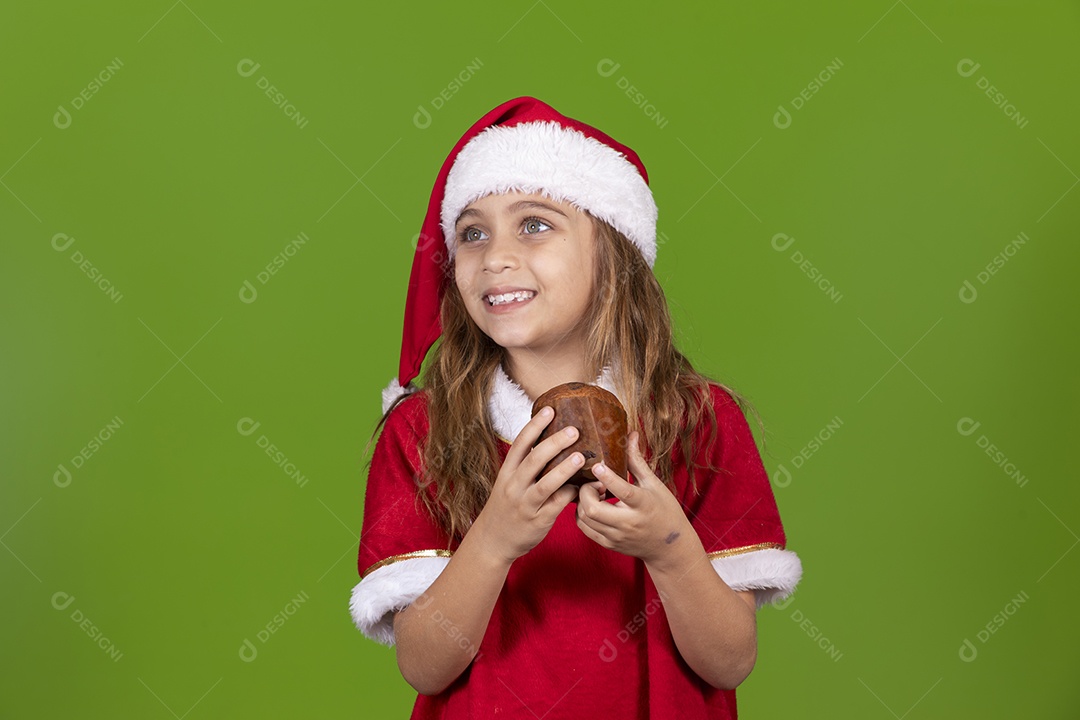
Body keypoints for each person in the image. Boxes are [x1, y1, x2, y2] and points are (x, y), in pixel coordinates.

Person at [349, 96, 802, 719]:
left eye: (534, 223)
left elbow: (728, 662)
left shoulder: (699, 420)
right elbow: (424, 666)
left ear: (612, 251)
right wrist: (495, 540)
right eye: (472, 232)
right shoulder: (424, 432)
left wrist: (669, 548)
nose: (495, 256)